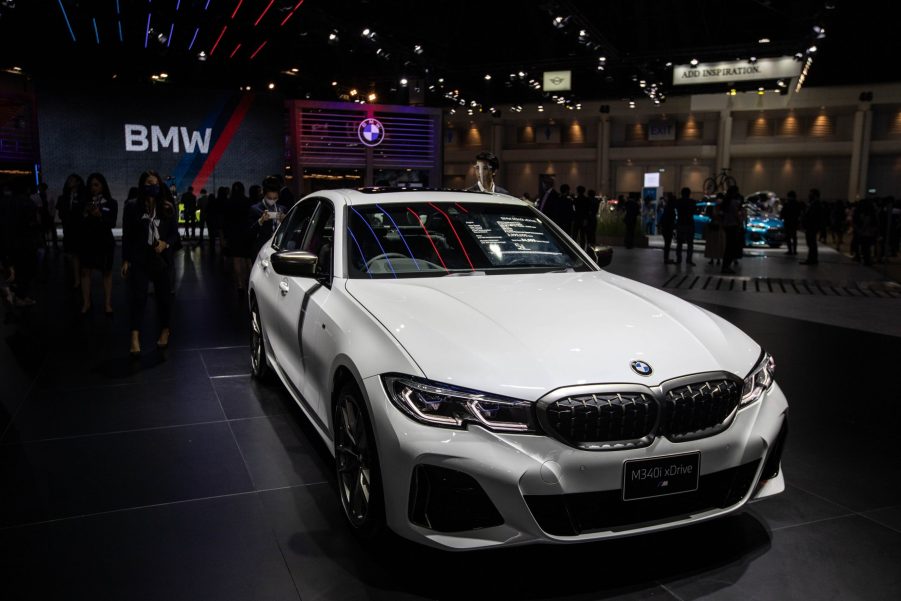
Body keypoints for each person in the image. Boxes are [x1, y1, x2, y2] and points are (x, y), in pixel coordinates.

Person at [121, 170, 178, 356]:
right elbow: (127, 235)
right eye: (148, 183)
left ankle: (165, 330)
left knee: (163, 298)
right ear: (142, 185)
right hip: (140, 257)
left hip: (161, 259)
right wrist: (126, 259)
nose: (151, 186)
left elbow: (174, 234)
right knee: (138, 297)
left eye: (155, 183)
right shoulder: (131, 207)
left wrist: (165, 243)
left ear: (159, 185)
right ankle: (134, 336)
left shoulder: (168, 206)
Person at [77, 173, 118, 315]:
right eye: (91, 185)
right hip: (87, 242)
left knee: (106, 272)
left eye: (96, 184)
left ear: (103, 185)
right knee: (85, 272)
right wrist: (85, 213)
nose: (93, 188)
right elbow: (78, 223)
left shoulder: (111, 203)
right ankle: (86, 303)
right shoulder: (84, 203)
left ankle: (107, 304)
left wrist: (99, 215)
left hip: (105, 242)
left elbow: (112, 223)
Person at [57, 173, 87, 288]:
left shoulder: (82, 196)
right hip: (68, 229)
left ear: (78, 182)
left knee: (80, 255)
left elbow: (83, 211)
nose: (70, 182)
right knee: (73, 255)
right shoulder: (64, 197)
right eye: (69, 180)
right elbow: (61, 212)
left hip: (80, 229)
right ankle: (77, 279)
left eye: (72, 180)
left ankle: (83, 278)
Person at [249, 176, 287, 256]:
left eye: (275, 198)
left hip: (278, 249)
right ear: (264, 194)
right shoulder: (255, 209)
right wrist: (261, 220)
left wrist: (284, 221)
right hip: (261, 249)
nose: (272, 200)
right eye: (269, 198)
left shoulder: (282, 209)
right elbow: (250, 232)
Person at [720, 186, 744, 274]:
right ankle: (726, 267)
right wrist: (740, 224)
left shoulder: (725, 201)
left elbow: (722, 214)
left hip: (726, 226)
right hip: (733, 226)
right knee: (731, 247)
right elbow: (737, 215)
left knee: (728, 247)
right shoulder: (734, 203)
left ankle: (725, 266)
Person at [800, 188, 823, 265]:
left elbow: (813, 216)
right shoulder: (814, 203)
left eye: (811, 194)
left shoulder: (816, 204)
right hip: (811, 226)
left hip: (812, 226)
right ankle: (812, 259)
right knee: (811, 243)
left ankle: (812, 259)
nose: (809, 195)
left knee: (811, 243)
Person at [780, 190, 801, 255]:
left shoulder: (787, 204)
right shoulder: (797, 203)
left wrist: (782, 217)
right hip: (794, 222)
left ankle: (790, 250)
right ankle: (794, 250)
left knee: (788, 237)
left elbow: (783, 213)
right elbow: (799, 213)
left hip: (788, 222)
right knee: (794, 237)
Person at [659, 192, 676, 264]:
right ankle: (666, 259)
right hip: (668, 227)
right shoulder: (670, 207)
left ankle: (666, 258)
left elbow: (663, 217)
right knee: (667, 244)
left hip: (666, 227)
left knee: (667, 243)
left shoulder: (667, 207)